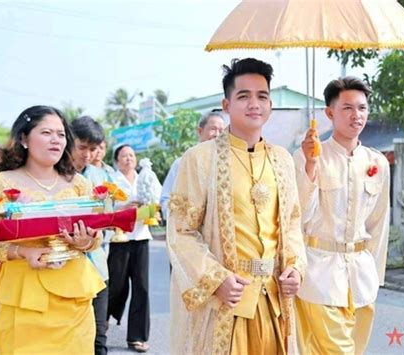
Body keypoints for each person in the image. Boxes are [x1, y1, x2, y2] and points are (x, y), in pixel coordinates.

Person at [166, 58, 306, 354]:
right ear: (227, 104)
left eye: (262, 96)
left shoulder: (282, 160)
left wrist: (295, 268)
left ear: (270, 105)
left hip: (272, 300)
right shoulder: (200, 159)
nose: (254, 103)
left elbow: (292, 223)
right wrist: (216, 279)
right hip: (227, 298)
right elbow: (181, 230)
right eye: (244, 96)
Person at [0, 105, 106, 354]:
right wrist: (21, 251)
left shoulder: (80, 184)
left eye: (61, 134)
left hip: (75, 299)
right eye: (46, 132)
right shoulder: (1, 183)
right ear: (24, 138)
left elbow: (96, 236)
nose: (56, 140)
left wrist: (85, 243)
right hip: (24, 298)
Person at [293, 77, 390, 354]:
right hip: (319, 274)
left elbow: (379, 223)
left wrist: (376, 275)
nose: (356, 115)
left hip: (361, 278)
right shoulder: (308, 156)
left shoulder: (377, 163)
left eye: (362, 108)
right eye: (347, 108)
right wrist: (310, 165)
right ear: (329, 112)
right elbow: (297, 216)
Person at [107, 145, 161, 353]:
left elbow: (158, 199)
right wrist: (126, 207)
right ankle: (102, 323)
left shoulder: (146, 177)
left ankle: (137, 337)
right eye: (124, 156)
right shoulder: (111, 180)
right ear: (117, 160)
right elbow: (106, 207)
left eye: (131, 155)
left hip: (141, 237)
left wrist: (153, 208)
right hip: (119, 240)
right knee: (116, 287)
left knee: (142, 288)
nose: (128, 159)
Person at [71, 116, 113, 355]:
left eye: (93, 149)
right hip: (66, 268)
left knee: (99, 336)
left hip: (96, 266)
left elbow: (107, 214)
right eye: (82, 147)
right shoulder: (56, 175)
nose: (87, 154)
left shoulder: (99, 177)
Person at [160, 112, 226, 220]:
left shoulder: (227, 164)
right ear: (200, 131)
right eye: (213, 129)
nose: (217, 134)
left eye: (222, 131)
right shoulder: (182, 163)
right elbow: (166, 199)